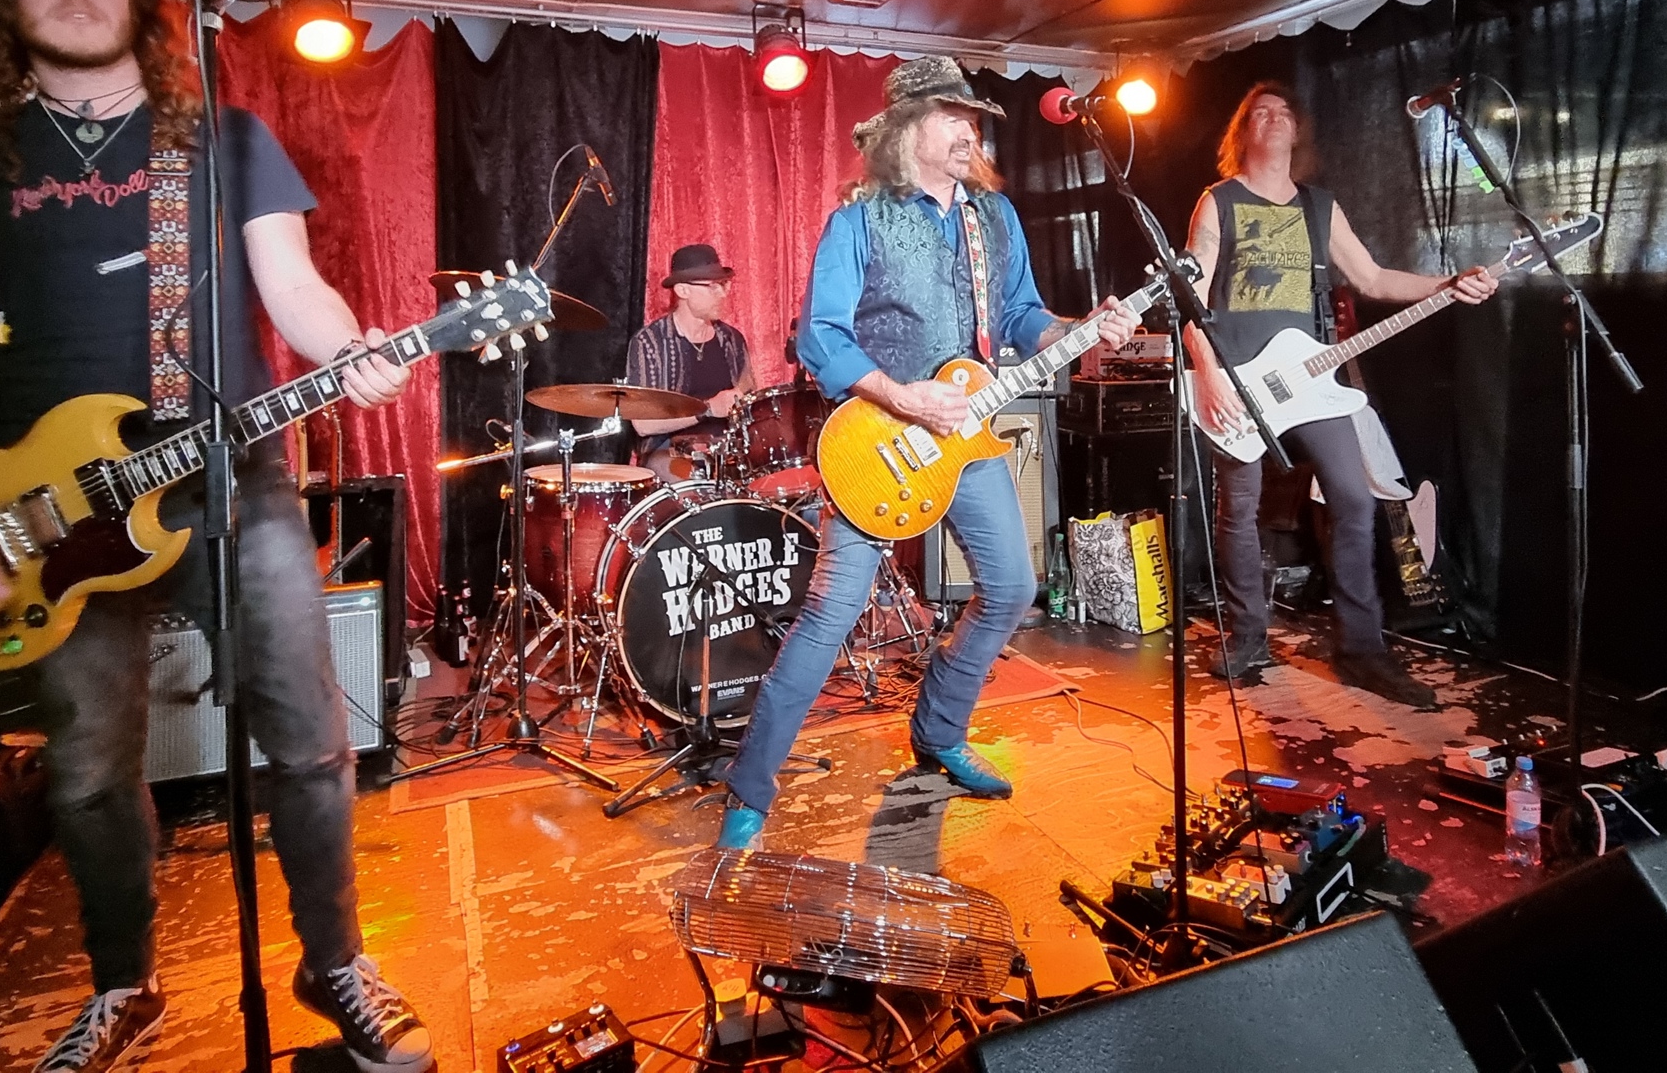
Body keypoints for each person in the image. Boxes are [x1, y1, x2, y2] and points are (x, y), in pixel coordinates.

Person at [0, 0, 433, 1073]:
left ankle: (333, 960)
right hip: (52, 508)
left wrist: (351, 353)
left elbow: (294, 292)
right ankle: (124, 984)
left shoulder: (226, 141)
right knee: (90, 773)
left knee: (309, 740)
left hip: (236, 477)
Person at [715, 56, 1135, 849]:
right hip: (877, 441)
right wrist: (901, 395)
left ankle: (939, 730)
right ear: (907, 128)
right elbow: (820, 337)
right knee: (830, 615)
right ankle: (751, 788)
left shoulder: (994, 219)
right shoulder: (859, 221)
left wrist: (1082, 331)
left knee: (1012, 587)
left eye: (972, 117)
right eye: (952, 115)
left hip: (967, 438)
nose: (969, 128)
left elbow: (1022, 320)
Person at [1183, 81, 1496, 707]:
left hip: (1312, 380)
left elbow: (1373, 275)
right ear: (1241, 132)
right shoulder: (1218, 202)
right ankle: (1247, 638)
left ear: (1296, 133)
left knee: (1354, 498)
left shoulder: (1319, 207)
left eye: (1283, 113)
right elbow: (1189, 300)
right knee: (1237, 512)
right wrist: (1210, 373)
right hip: (1241, 382)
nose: (1272, 120)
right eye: (1258, 113)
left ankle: (1362, 651)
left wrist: (1448, 283)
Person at [623, 243, 757, 479]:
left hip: (727, 450)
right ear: (683, 291)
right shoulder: (650, 342)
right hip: (670, 451)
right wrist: (708, 409)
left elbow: (751, 399)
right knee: (694, 487)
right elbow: (643, 424)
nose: (723, 293)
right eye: (713, 287)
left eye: (724, 284)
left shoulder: (732, 339)